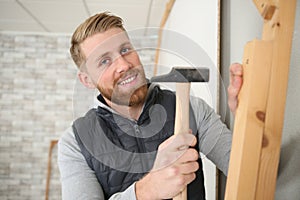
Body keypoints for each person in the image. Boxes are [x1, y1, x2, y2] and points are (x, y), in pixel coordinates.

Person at [57, 12, 243, 200]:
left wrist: (247, 118)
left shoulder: (192, 109)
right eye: (104, 61)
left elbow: (247, 171)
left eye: (125, 50)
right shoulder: (75, 142)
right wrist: (145, 191)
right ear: (87, 80)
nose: (123, 64)